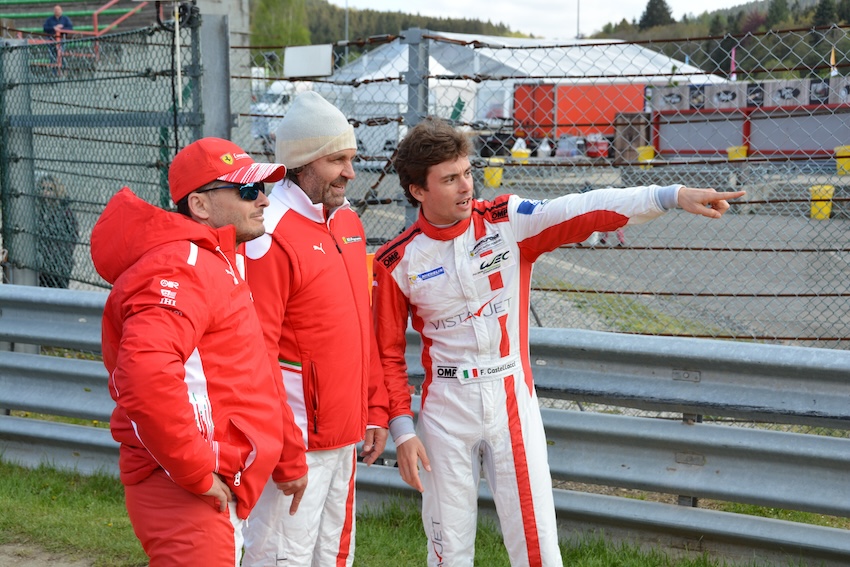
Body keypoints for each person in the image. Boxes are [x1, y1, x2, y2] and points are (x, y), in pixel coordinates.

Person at [371, 117, 745, 567]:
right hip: (445, 408)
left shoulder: (506, 220)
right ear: (418, 191)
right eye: (450, 179)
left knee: (539, 546)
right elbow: (386, 356)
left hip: (512, 396)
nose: (466, 187)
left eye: (468, 173)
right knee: (447, 551)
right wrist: (402, 429)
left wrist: (671, 196)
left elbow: (584, 208)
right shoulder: (395, 260)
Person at [90, 137, 308, 567]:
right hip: (184, 487)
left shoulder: (216, 259)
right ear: (200, 205)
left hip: (208, 481)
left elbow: (253, 370)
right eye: (247, 191)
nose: (263, 200)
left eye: (261, 188)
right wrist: (194, 472)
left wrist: (287, 454)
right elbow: (144, 377)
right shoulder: (178, 264)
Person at [241, 91, 389, 567]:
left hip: (345, 436)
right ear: (302, 163)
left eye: (352, 158)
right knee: (281, 557)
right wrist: (283, 448)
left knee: (335, 556)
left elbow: (359, 325)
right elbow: (255, 355)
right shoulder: (269, 233)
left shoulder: (347, 222)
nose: (350, 172)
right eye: (337, 160)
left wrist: (375, 408)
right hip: (298, 444)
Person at [36, 174, 78, 288]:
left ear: (57, 192)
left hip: (59, 262)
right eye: (43, 188)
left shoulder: (65, 212)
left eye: (50, 189)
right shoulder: (39, 211)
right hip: (43, 264)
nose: (45, 192)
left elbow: (73, 236)